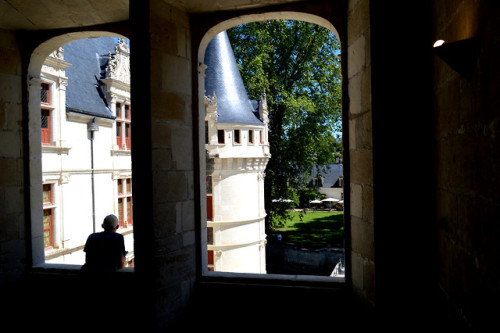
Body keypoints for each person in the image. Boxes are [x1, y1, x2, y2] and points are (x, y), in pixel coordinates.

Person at [81, 214, 127, 279]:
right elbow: (120, 265)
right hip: (106, 276)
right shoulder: (118, 238)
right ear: (117, 227)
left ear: (102, 226)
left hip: (89, 274)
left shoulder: (92, 237)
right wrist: (123, 258)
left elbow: (87, 260)